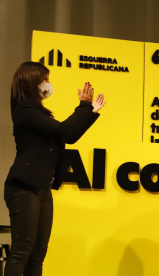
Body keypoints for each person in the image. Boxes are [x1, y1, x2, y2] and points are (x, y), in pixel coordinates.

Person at [4, 61, 106, 276]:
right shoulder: (26, 109)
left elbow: (69, 136)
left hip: (42, 188)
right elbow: (64, 129)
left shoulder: (39, 112)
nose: (48, 84)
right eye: (45, 79)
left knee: (38, 254)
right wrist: (84, 106)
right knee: (22, 251)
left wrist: (91, 112)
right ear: (31, 82)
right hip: (24, 187)